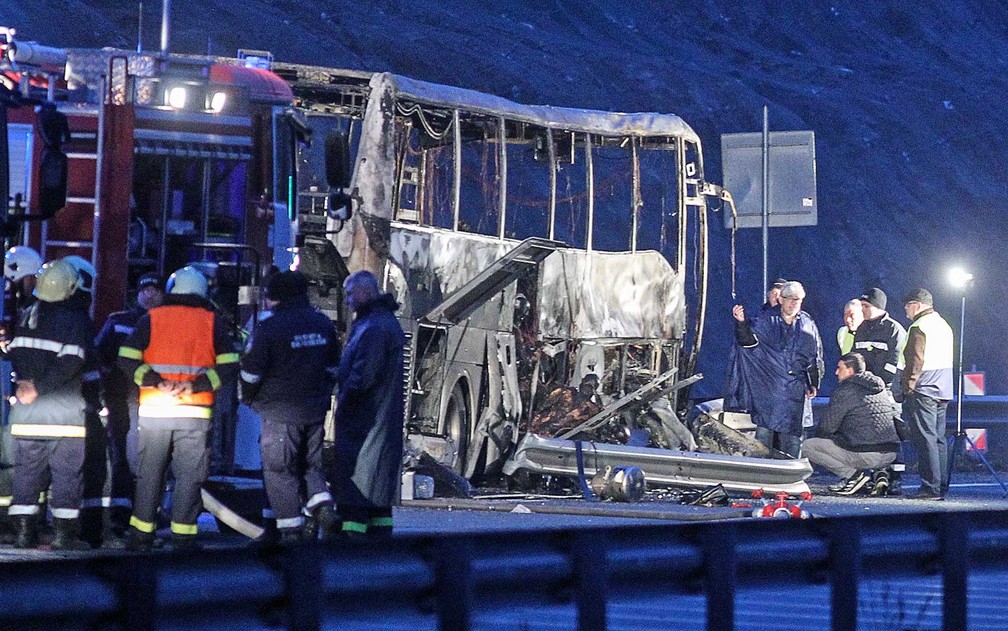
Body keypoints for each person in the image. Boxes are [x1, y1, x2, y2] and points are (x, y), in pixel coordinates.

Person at [118, 266, 239, 549]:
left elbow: (125, 358)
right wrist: (195, 386)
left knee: (150, 474)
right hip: (194, 413)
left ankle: (140, 535)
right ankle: (183, 537)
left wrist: (155, 382)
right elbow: (230, 364)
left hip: (155, 410)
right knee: (189, 476)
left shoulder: (151, 319)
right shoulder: (212, 322)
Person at [240, 271, 340, 544]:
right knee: (311, 466)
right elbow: (333, 367)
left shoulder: (270, 328)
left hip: (279, 412)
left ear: (276, 296)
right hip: (315, 411)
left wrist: (248, 398)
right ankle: (323, 506)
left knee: (280, 470)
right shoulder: (322, 324)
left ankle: (290, 532)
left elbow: (250, 374)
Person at [7, 260, 93, 549]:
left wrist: (26, 385)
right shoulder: (75, 319)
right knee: (67, 475)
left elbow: (16, 354)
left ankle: (23, 534)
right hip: (63, 413)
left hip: (27, 411)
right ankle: (64, 536)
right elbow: (72, 361)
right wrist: (40, 388)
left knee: (27, 474)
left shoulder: (26, 314)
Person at [332, 270, 407, 537]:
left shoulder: (372, 328)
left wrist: (345, 402)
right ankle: (379, 550)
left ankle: (351, 549)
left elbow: (363, 376)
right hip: (379, 425)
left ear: (365, 292)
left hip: (365, 426)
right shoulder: (381, 322)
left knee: (357, 496)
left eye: (351, 294)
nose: (348, 299)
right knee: (378, 504)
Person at [93, 273, 163, 537]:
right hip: (122, 399)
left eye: (155, 290)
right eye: (145, 289)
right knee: (121, 457)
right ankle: (122, 517)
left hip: (155, 401)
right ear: (137, 293)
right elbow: (99, 354)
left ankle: (145, 515)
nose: (149, 294)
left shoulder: (165, 323)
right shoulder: (118, 321)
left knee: (149, 461)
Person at [726, 281, 824, 458]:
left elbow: (813, 356)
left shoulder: (807, 324)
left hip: (794, 392)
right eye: (791, 299)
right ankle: (761, 475)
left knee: (793, 439)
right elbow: (748, 343)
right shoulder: (766, 321)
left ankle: (790, 475)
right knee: (764, 435)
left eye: (798, 300)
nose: (794, 303)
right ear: (782, 300)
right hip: (769, 391)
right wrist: (741, 323)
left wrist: (813, 382)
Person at [803, 352, 900, 495]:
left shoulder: (845, 390)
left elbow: (827, 427)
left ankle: (854, 476)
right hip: (891, 454)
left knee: (808, 446)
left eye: (839, 368)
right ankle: (879, 474)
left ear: (849, 371)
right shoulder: (880, 387)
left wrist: (831, 438)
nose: (836, 372)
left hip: (868, 455)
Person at [893, 288, 953, 500]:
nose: (906, 310)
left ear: (917, 305)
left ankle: (929, 487)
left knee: (925, 439)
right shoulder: (943, 325)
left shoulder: (919, 326)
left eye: (907, 306)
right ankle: (941, 484)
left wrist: (907, 387)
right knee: (938, 439)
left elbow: (915, 360)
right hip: (943, 388)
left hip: (924, 388)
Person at [854, 287, 907, 389]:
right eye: (861, 306)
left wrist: (881, 382)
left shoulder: (894, 330)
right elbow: (856, 356)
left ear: (878, 307)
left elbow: (895, 361)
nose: (862, 309)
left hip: (887, 389)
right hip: (864, 386)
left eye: (866, 306)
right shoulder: (861, 328)